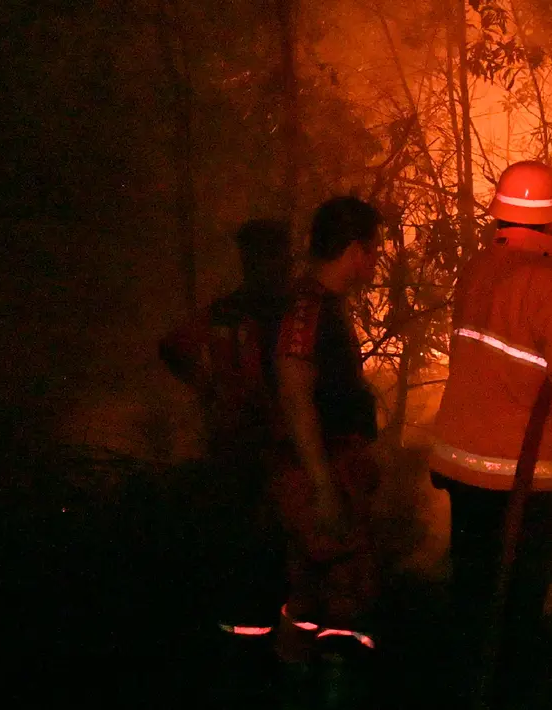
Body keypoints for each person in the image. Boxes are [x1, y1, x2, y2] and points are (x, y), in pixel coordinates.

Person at [428, 160, 552, 708]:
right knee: (517, 603)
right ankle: (503, 692)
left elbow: (503, 348)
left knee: (471, 592)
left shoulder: (478, 268)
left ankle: (458, 685)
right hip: (518, 475)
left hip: (460, 463)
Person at [158, 219, 292, 703]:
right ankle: (244, 665)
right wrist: (209, 388)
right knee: (248, 556)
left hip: (270, 451)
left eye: (270, 255)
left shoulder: (282, 312)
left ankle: (257, 661)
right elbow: (173, 348)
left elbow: (173, 348)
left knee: (268, 556)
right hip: (244, 452)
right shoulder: (234, 312)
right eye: (258, 256)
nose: (266, 266)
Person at [271, 196, 384, 701]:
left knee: (315, 591)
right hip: (318, 473)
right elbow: (295, 391)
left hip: (330, 467)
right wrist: (323, 486)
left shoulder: (319, 305)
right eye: (373, 248)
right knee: (342, 593)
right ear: (356, 250)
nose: (376, 259)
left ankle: (296, 687)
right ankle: (320, 692)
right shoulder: (308, 307)